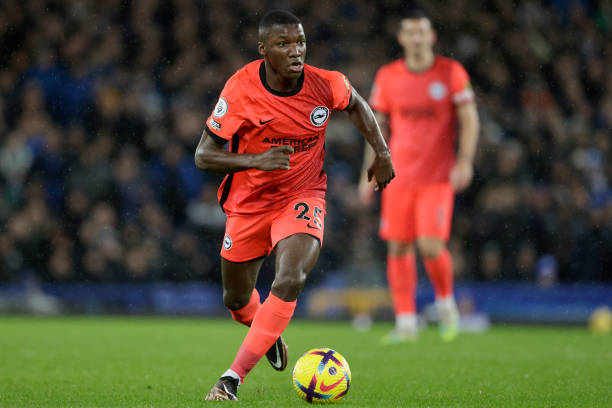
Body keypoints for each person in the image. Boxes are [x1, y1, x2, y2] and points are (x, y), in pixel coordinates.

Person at [195, 10, 395, 401]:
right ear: (263, 49)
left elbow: (357, 105)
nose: (295, 51)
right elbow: (204, 155)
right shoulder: (240, 89)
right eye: (283, 44)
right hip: (249, 204)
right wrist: (256, 159)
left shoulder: (325, 84)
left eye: (300, 42)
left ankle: (231, 378)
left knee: (290, 278)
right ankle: (266, 333)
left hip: (302, 196)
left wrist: (382, 152)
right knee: (236, 300)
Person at [358, 9, 480, 343]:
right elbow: (376, 127)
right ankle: (407, 322)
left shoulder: (450, 73)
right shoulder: (388, 76)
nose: (416, 38)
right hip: (398, 176)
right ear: (401, 38)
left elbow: (469, 119)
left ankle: (445, 304)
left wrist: (465, 161)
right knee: (398, 247)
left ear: (431, 37)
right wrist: (366, 174)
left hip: (437, 177)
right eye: (409, 33)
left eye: (421, 32)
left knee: (429, 244)